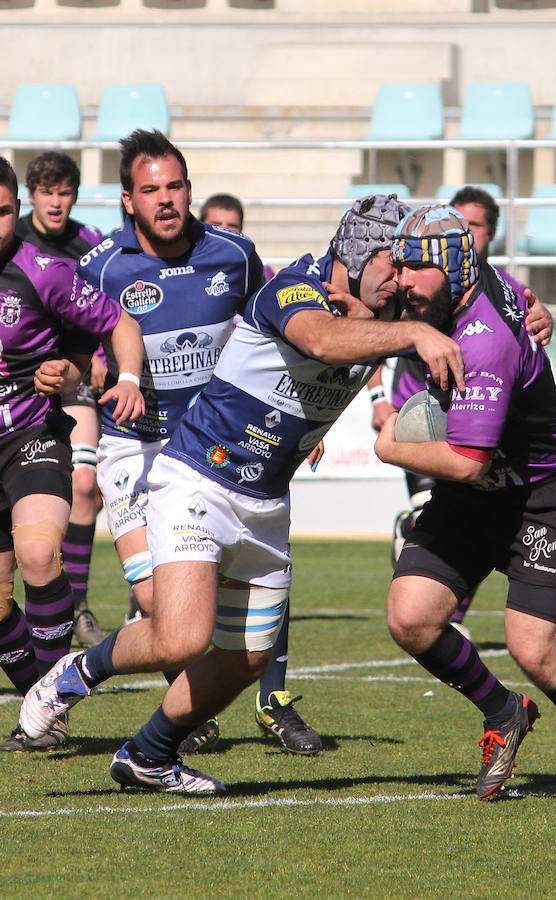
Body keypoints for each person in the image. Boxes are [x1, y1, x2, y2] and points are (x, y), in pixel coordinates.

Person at [19, 193, 466, 794]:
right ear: (359, 252)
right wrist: (414, 332)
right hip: (198, 477)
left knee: (247, 657)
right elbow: (325, 343)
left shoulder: (385, 311)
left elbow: (478, 308)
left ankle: (148, 756)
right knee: (181, 635)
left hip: (266, 503)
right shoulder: (295, 288)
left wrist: (529, 309)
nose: (404, 278)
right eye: (395, 261)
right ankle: (72, 673)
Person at [373, 204, 556, 805]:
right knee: (411, 616)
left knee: (533, 646)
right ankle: (504, 712)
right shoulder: (469, 286)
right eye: (399, 265)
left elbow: (466, 461)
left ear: (456, 267)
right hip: (477, 496)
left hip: (544, 493)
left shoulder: (484, 341)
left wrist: (390, 448)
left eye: (416, 268)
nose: (402, 280)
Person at [73, 129, 274, 756]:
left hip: (210, 455)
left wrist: (291, 421)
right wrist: (83, 373)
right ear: (128, 200)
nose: (166, 200)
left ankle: (185, 712)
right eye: (150, 190)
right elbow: (70, 348)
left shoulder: (234, 256)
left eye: (175, 186)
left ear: (189, 189)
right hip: (132, 448)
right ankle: (162, 707)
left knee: (218, 610)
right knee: (154, 597)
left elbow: (283, 328)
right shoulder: (101, 267)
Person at [0, 155, 145, 752]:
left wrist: (121, 377)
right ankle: (42, 692)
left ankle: (49, 701)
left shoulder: (44, 271)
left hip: (31, 437)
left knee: (38, 556)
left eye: (3, 211)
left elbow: (118, 321)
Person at [367, 186, 554, 638]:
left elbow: (525, 316)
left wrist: (544, 315)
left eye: (475, 226)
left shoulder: (500, 285)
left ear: (487, 234)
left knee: (471, 510)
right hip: (421, 417)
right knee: (447, 512)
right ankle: (437, 589)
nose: (465, 233)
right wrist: (379, 400)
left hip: (477, 427)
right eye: (460, 223)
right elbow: (366, 338)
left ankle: (449, 613)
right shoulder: (411, 287)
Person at [201, 190, 317, 752]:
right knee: (177, 590)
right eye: (217, 224)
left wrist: (308, 425)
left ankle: (273, 700)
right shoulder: (165, 271)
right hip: (181, 441)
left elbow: (305, 352)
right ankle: (188, 705)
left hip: (248, 439)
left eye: (235, 226)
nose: (226, 234)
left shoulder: (254, 273)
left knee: (267, 568)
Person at [15, 151, 108, 648]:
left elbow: (106, 307)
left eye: (64, 192)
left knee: (86, 483)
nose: (56, 201)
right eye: (47, 192)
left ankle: (80, 604)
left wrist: (97, 353)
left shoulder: (89, 244)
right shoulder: (13, 240)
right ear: (31, 195)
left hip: (71, 377)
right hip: (16, 384)